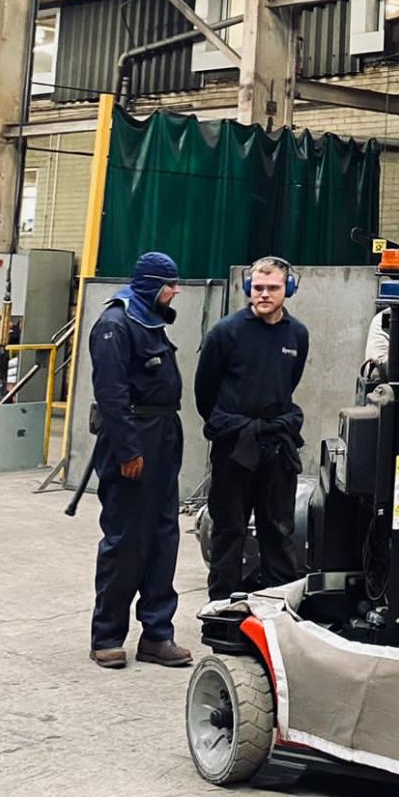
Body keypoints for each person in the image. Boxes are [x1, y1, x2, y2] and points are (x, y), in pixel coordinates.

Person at [88, 250, 191, 671]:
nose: (175, 292)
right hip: (132, 439)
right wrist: (129, 450)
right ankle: (108, 637)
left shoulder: (148, 319)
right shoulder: (115, 325)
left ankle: (156, 634)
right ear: (152, 285)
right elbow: (111, 396)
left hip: (164, 436)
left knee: (164, 536)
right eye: (170, 286)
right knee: (127, 540)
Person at [195, 257, 310, 601]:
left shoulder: (297, 334)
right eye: (258, 288)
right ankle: (220, 613)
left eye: (272, 288)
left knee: (279, 532)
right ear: (248, 288)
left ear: (287, 289)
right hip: (235, 448)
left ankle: (278, 612)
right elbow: (205, 393)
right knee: (229, 532)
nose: (264, 295)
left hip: (277, 448)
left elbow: (289, 382)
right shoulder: (225, 332)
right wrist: (231, 427)